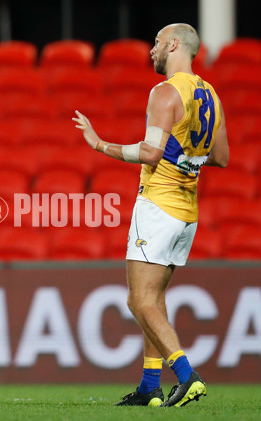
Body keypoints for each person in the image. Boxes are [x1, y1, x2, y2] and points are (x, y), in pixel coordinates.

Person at [73, 23, 229, 408]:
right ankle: (149, 386)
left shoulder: (164, 91)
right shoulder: (210, 94)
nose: (152, 50)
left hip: (158, 205)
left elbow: (149, 153)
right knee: (154, 298)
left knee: (138, 301)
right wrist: (186, 160)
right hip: (187, 211)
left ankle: (187, 375)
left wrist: (99, 144)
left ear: (174, 44)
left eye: (157, 43)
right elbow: (221, 157)